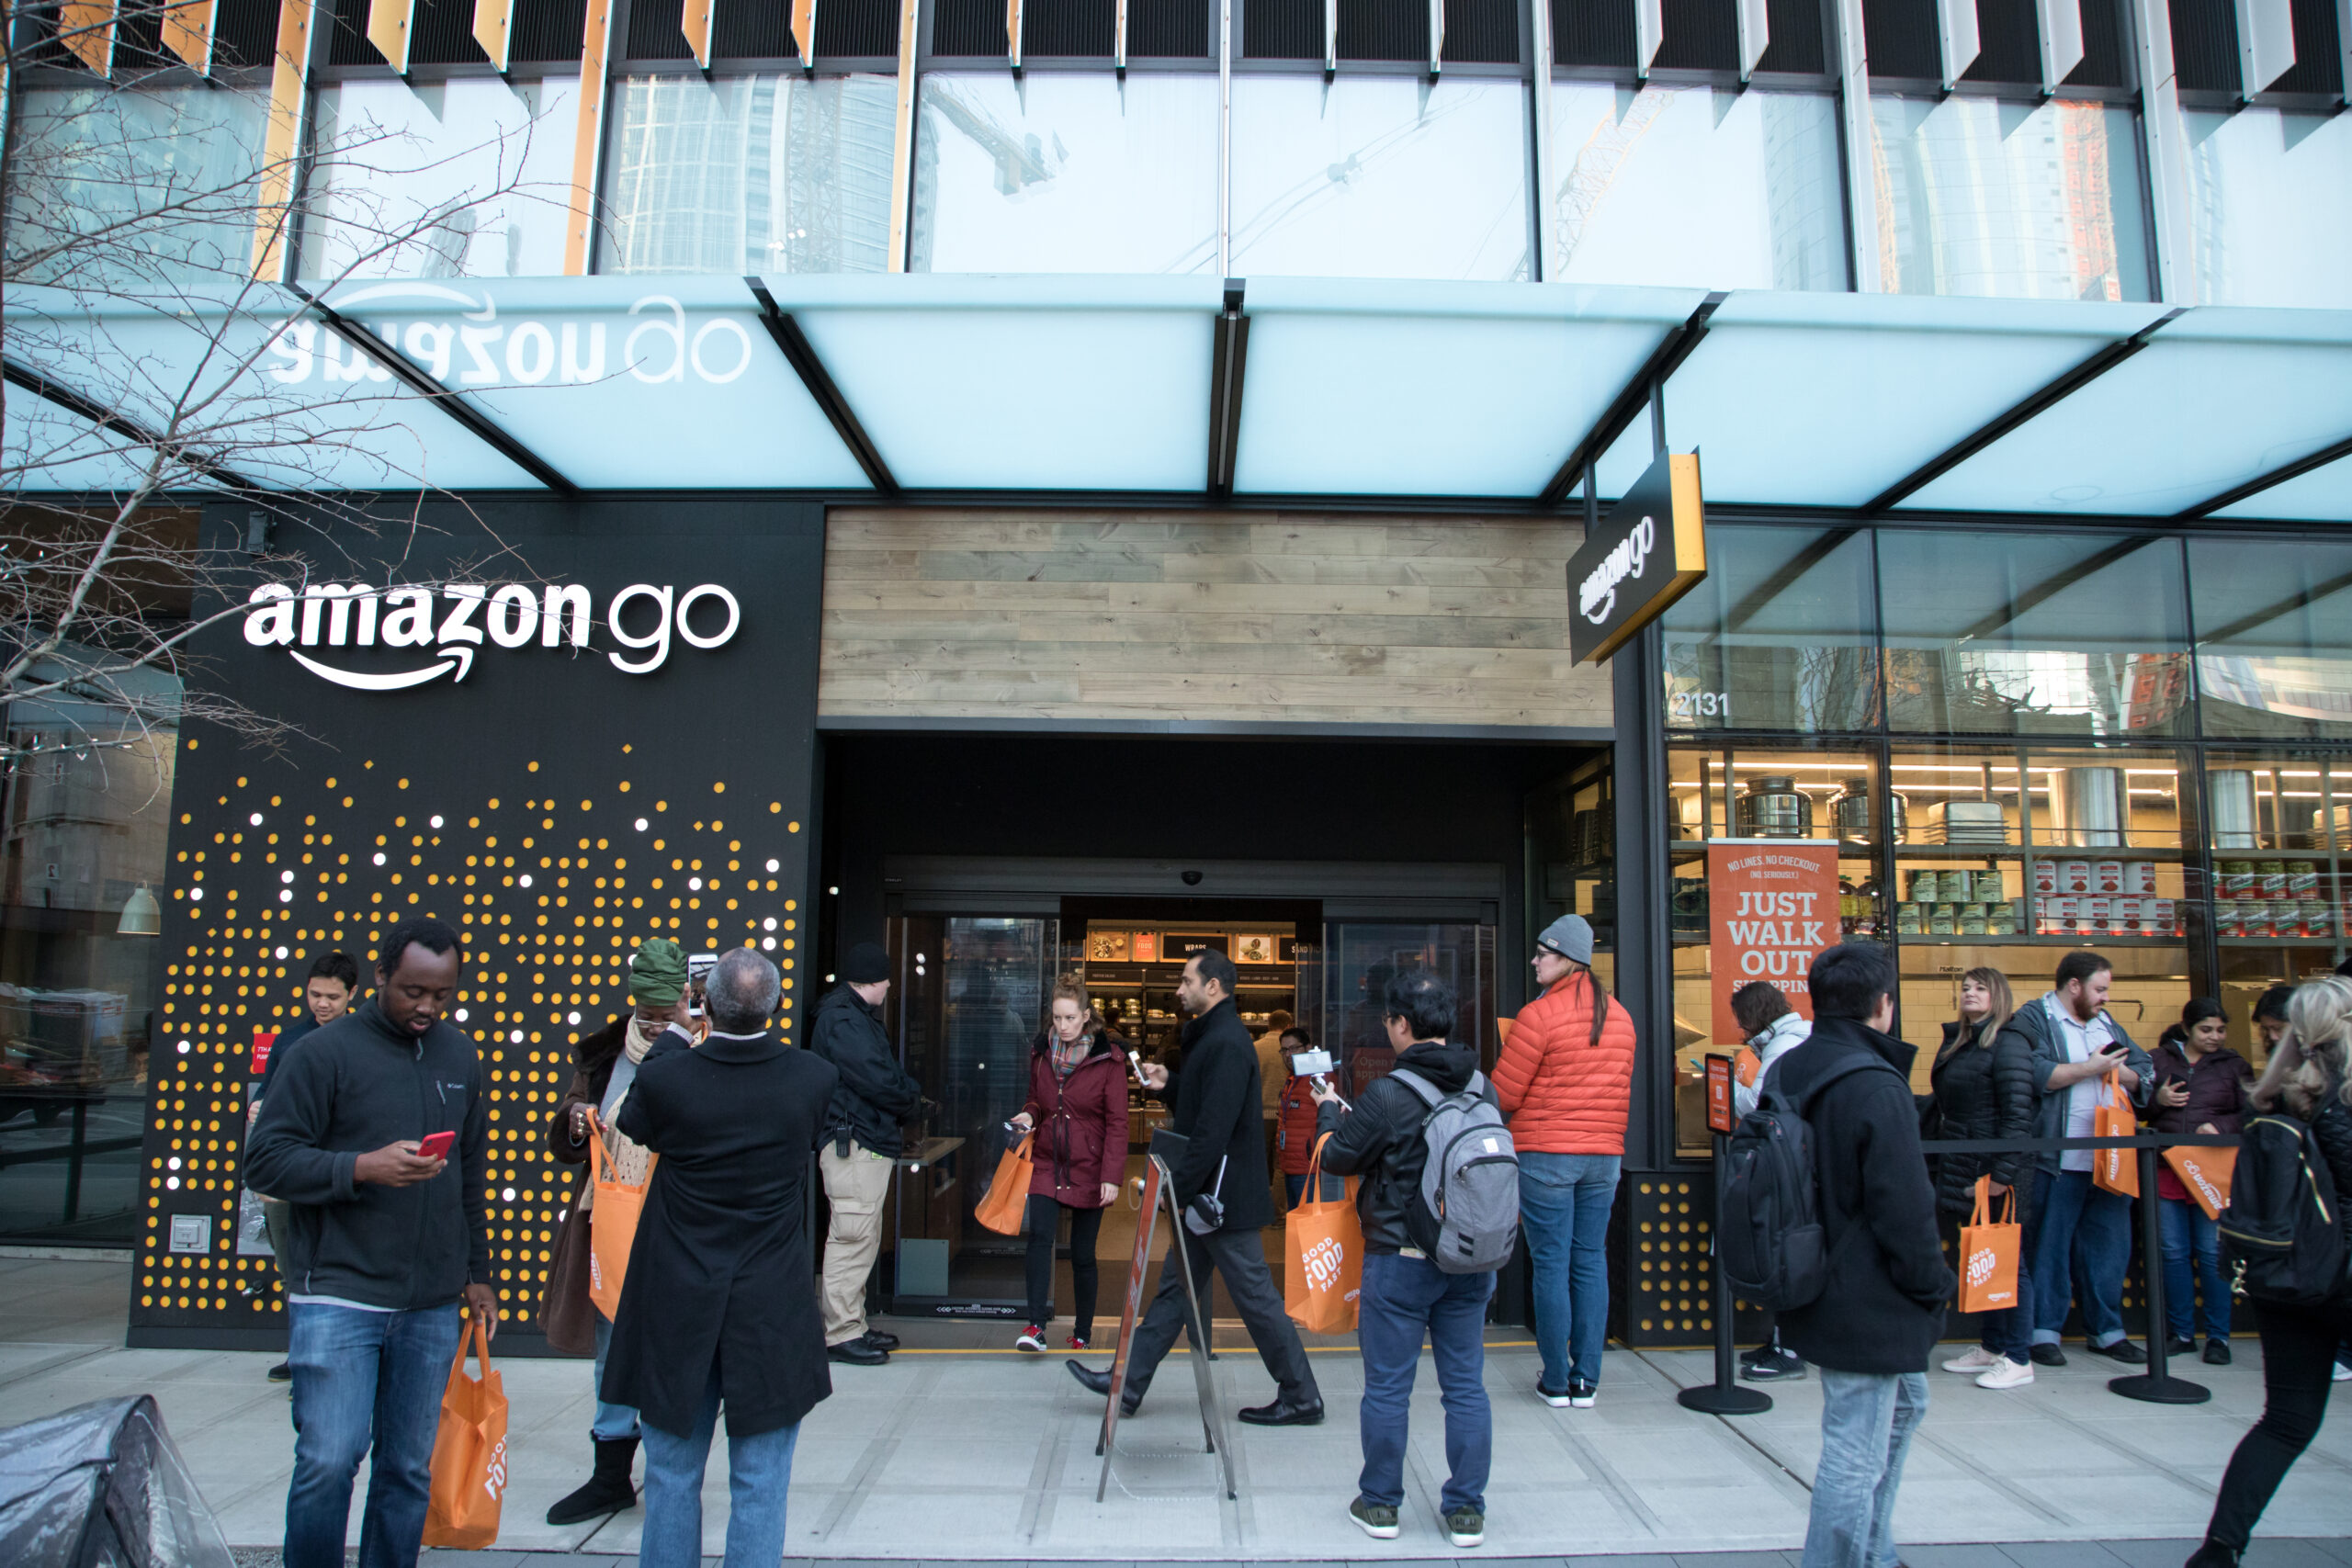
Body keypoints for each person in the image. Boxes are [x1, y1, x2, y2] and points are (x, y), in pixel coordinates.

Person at [245, 919, 494, 1568]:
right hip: (338, 1293)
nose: (427, 1007)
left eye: (442, 995)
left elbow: (469, 1173)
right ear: (380, 976)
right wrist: (361, 1166)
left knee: (409, 1467)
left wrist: (478, 1272)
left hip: (431, 1302)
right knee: (328, 1460)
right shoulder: (321, 1054)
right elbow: (266, 1161)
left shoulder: (460, 1056)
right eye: (413, 990)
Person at [601, 947, 838, 1568]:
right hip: (769, 1303)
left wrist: (679, 1030)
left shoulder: (668, 1076)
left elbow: (633, 1120)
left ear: (704, 1002)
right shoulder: (812, 1077)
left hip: (677, 1296)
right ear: (778, 1006)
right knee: (761, 1481)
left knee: (673, 1474)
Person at [1067, 948, 1322, 1426]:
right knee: (1176, 1292)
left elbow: (1212, 1130)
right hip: (1214, 1199)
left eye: (1186, 981)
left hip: (1220, 1201)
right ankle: (1127, 1385)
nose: (1179, 989)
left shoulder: (1224, 1041)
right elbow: (1208, 1104)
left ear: (1213, 987)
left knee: (1256, 1300)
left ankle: (1302, 1395)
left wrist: (1172, 1188)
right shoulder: (1213, 1038)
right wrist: (1172, 1083)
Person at [1772, 942, 1954, 1568]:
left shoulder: (1788, 1070)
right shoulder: (1876, 1085)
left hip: (1812, 1273)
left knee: (1907, 1402)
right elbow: (1905, 1206)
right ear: (1883, 1006)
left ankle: (1874, 1550)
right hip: (1871, 1292)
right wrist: (1933, 1283)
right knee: (1855, 1442)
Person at [1308, 971, 1496, 1549]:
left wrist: (1328, 1112)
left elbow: (1340, 1157)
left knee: (1388, 1387)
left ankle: (1382, 1505)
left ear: (1402, 1025)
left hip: (1402, 1258)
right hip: (1469, 1258)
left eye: (1388, 1021)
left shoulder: (1392, 1091)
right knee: (1465, 1385)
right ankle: (1466, 1511)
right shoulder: (1481, 1086)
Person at [2184, 977, 2352, 1568]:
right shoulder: (2343, 1097)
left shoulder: (2273, 1098)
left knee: (2284, 1422)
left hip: (2285, 1275)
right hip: (2341, 1273)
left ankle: (2220, 1549)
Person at [535, 937, 695, 1527]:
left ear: (683, 998)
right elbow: (566, 1134)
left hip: (678, 1223)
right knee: (610, 1344)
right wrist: (577, 1123)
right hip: (607, 1217)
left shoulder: (703, 1049)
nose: (654, 1026)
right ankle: (610, 1476)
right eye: (646, 1015)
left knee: (672, 1347)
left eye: (663, 1013)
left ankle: (671, 1470)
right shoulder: (604, 1055)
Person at [1493, 914, 1635, 1409]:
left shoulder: (1538, 1015)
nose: (1535, 960)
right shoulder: (1619, 1016)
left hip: (1547, 1155)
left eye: (1543, 953)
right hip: (1604, 1158)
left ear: (1568, 960)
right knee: (1590, 1260)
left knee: (1550, 1264)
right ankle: (1586, 1381)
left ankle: (1555, 1380)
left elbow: (1505, 1093)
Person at [2007, 950, 2152, 1367]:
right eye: (2100, 989)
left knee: (2108, 1250)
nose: (2106, 997)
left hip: (2110, 1161)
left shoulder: (2106, 1023)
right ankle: (2043, 1332)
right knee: (2048, 1249)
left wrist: (2115, 1071)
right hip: (2056, 1158)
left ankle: (2108, 1332)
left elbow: (2143, 1072)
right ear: (2074, 986)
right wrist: (2092, 1067)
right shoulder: (2035, 1018)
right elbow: (2036, 1074)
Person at [809, 940, 922, 1366]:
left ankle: (851, 1324)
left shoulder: (849, 1016)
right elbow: (878, 1079)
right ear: (871, 981)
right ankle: (840, 1333)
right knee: (852, 1235)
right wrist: (911, 1099)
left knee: (860, 1234)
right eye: (887, 979)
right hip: (854, 1143)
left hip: (858, 1140)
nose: (891, 986)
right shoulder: (844, 1021)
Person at [251, 951, 360, 1383]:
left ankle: (326, 1356)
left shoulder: (362, 1041)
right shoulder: (289, 1041)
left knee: (331, 1267)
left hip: (336, 1174)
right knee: (289, 1267)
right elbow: (266, 1097)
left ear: (352, 994)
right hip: (287, 1173)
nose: (322, 1004)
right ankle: (301, 1353)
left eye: (332, 996)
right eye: (315, 994)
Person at [1928, 967, 2040, 1389]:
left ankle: (2019, 1356)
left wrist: (2002, 1174)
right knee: (1984, 1257)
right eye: (1966, 987)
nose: (1970, 993)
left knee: (2011, 1262)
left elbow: (2017, 1117)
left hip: (1993, 1172)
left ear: (1999, 996)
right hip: (1965, 1167)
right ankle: (1993, 1346)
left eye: (1980, 988)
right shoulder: (1962, 1040)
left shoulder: (2009, 1043)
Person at [1008, 976, 1127, 1354]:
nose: (1062, 1026)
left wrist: (1112, 1176)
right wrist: (1028, 1116)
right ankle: (1035, 1326)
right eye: (1057, 1018)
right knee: (1039, 1240)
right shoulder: (1041, 1052)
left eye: (1070, 1018)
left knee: (1082, 1253)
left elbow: (1118, 1123)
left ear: (1086, 1016)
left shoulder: (1109, 1060)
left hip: (1089, 1166)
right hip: (1046, 1160)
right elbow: (1035, 1100)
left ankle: (1083, 1330)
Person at [2144, 998, 2248, 1366]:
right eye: (2206, 1029)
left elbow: (2251, 1111)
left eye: (2221, 1030)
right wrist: (2157, 1099)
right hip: (2167, 1165)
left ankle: (2218, 1337)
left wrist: (2220, 1127)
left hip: (2211, 1170)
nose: (2215, 1036)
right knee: (2172, 1253)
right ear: (2187, 1028)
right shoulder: (2158, 1059)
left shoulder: (2235, 1065)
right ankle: (2182, 1332)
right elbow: (2135, 1105)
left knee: (2211, 1254)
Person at [1727, 980, 1810, 1383]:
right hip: (1794, 1159)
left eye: (1741, 1020)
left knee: (1784, 1250)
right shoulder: (1794, 1038)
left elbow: (1761, 1101)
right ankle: (1781, 1341)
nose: (1740, 1029)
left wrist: (1724, 1091)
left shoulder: (1784, 1045)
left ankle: (1789, 1348)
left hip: (1787, 1163)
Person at [1276, 1026, 1340, 1209]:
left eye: (1294, 1048)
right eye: (1284, 1050)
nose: (1288, 1054)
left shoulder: (1319, 1079)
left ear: (1308, 1048)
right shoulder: (1292, 1080)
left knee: (1308, 1225)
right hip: (1291, 1166)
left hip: (1310, 1169)